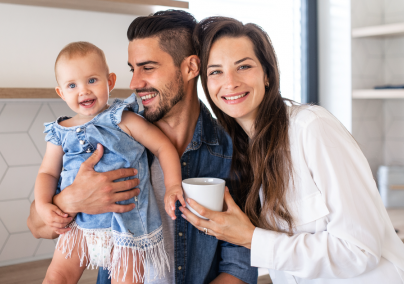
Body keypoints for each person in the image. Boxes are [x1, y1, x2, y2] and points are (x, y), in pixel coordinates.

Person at [27, 10, 258, 284]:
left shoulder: (230, 149)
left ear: (190, 68)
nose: (134, 83)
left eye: (147, 68)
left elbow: (240, 265)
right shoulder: (111, 129)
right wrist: (72, 200)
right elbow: (37, 226)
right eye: (132, 69)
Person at [180, 16, 404, 283]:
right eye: (216, 71)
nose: (230, 82)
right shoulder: (237, 152)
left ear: (267, 74)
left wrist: (252, 239)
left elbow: (360, 249)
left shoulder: (311, 128)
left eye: (244, 66)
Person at [36, 41, 187, 283]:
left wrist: (173, 186)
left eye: (92, 80)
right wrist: (44, 205)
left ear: (110, 81)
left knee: (125, 279)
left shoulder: (122, 118)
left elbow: (162, 146)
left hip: (126, 225)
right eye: (72, 85)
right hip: (78, 224)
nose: (83, 91)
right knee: (57, 275)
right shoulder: (59, 132)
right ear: (61, 93)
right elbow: (47, 173)